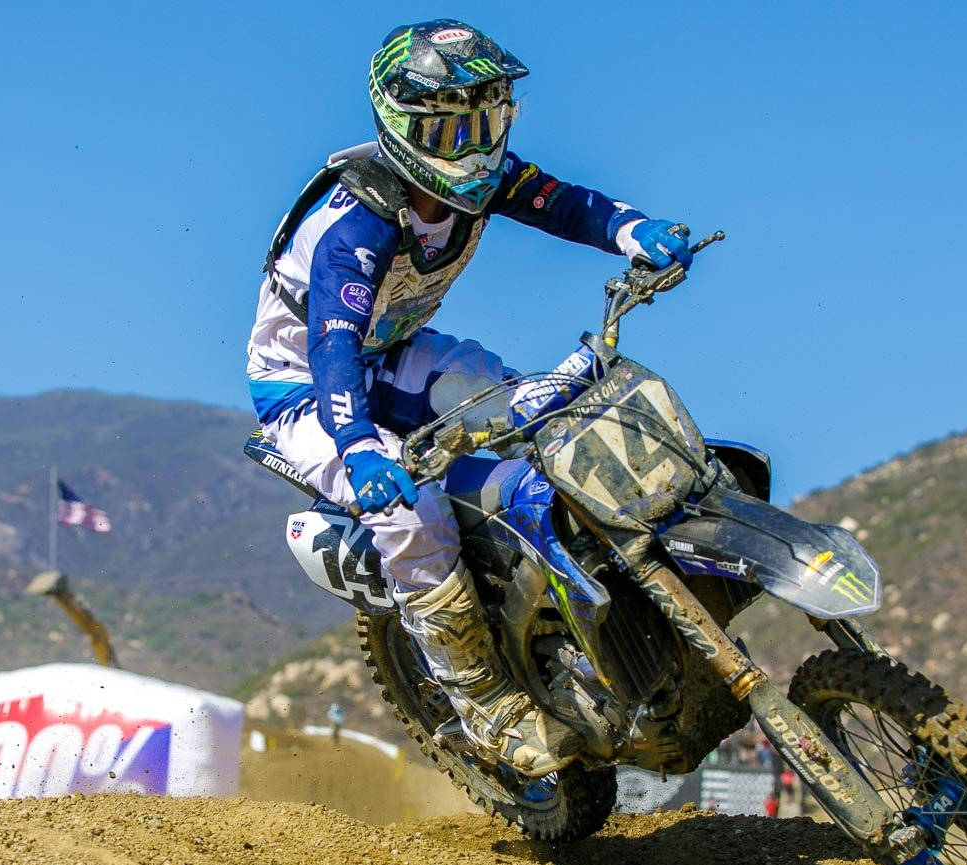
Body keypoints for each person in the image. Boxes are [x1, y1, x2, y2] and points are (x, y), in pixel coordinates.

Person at [246, 19, 696, 777]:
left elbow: (564, 203)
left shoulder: (482, 181)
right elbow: (330, 345)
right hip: (309, 390)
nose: (477, 145)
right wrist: (357, 448)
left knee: (538, 403)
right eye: (456, 128)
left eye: (488, 121)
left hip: (395, 357)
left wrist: (631, 228)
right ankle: (481, 700)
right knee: (407, 509)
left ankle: (599, 596)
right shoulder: (355, 226)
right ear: (407, 127)